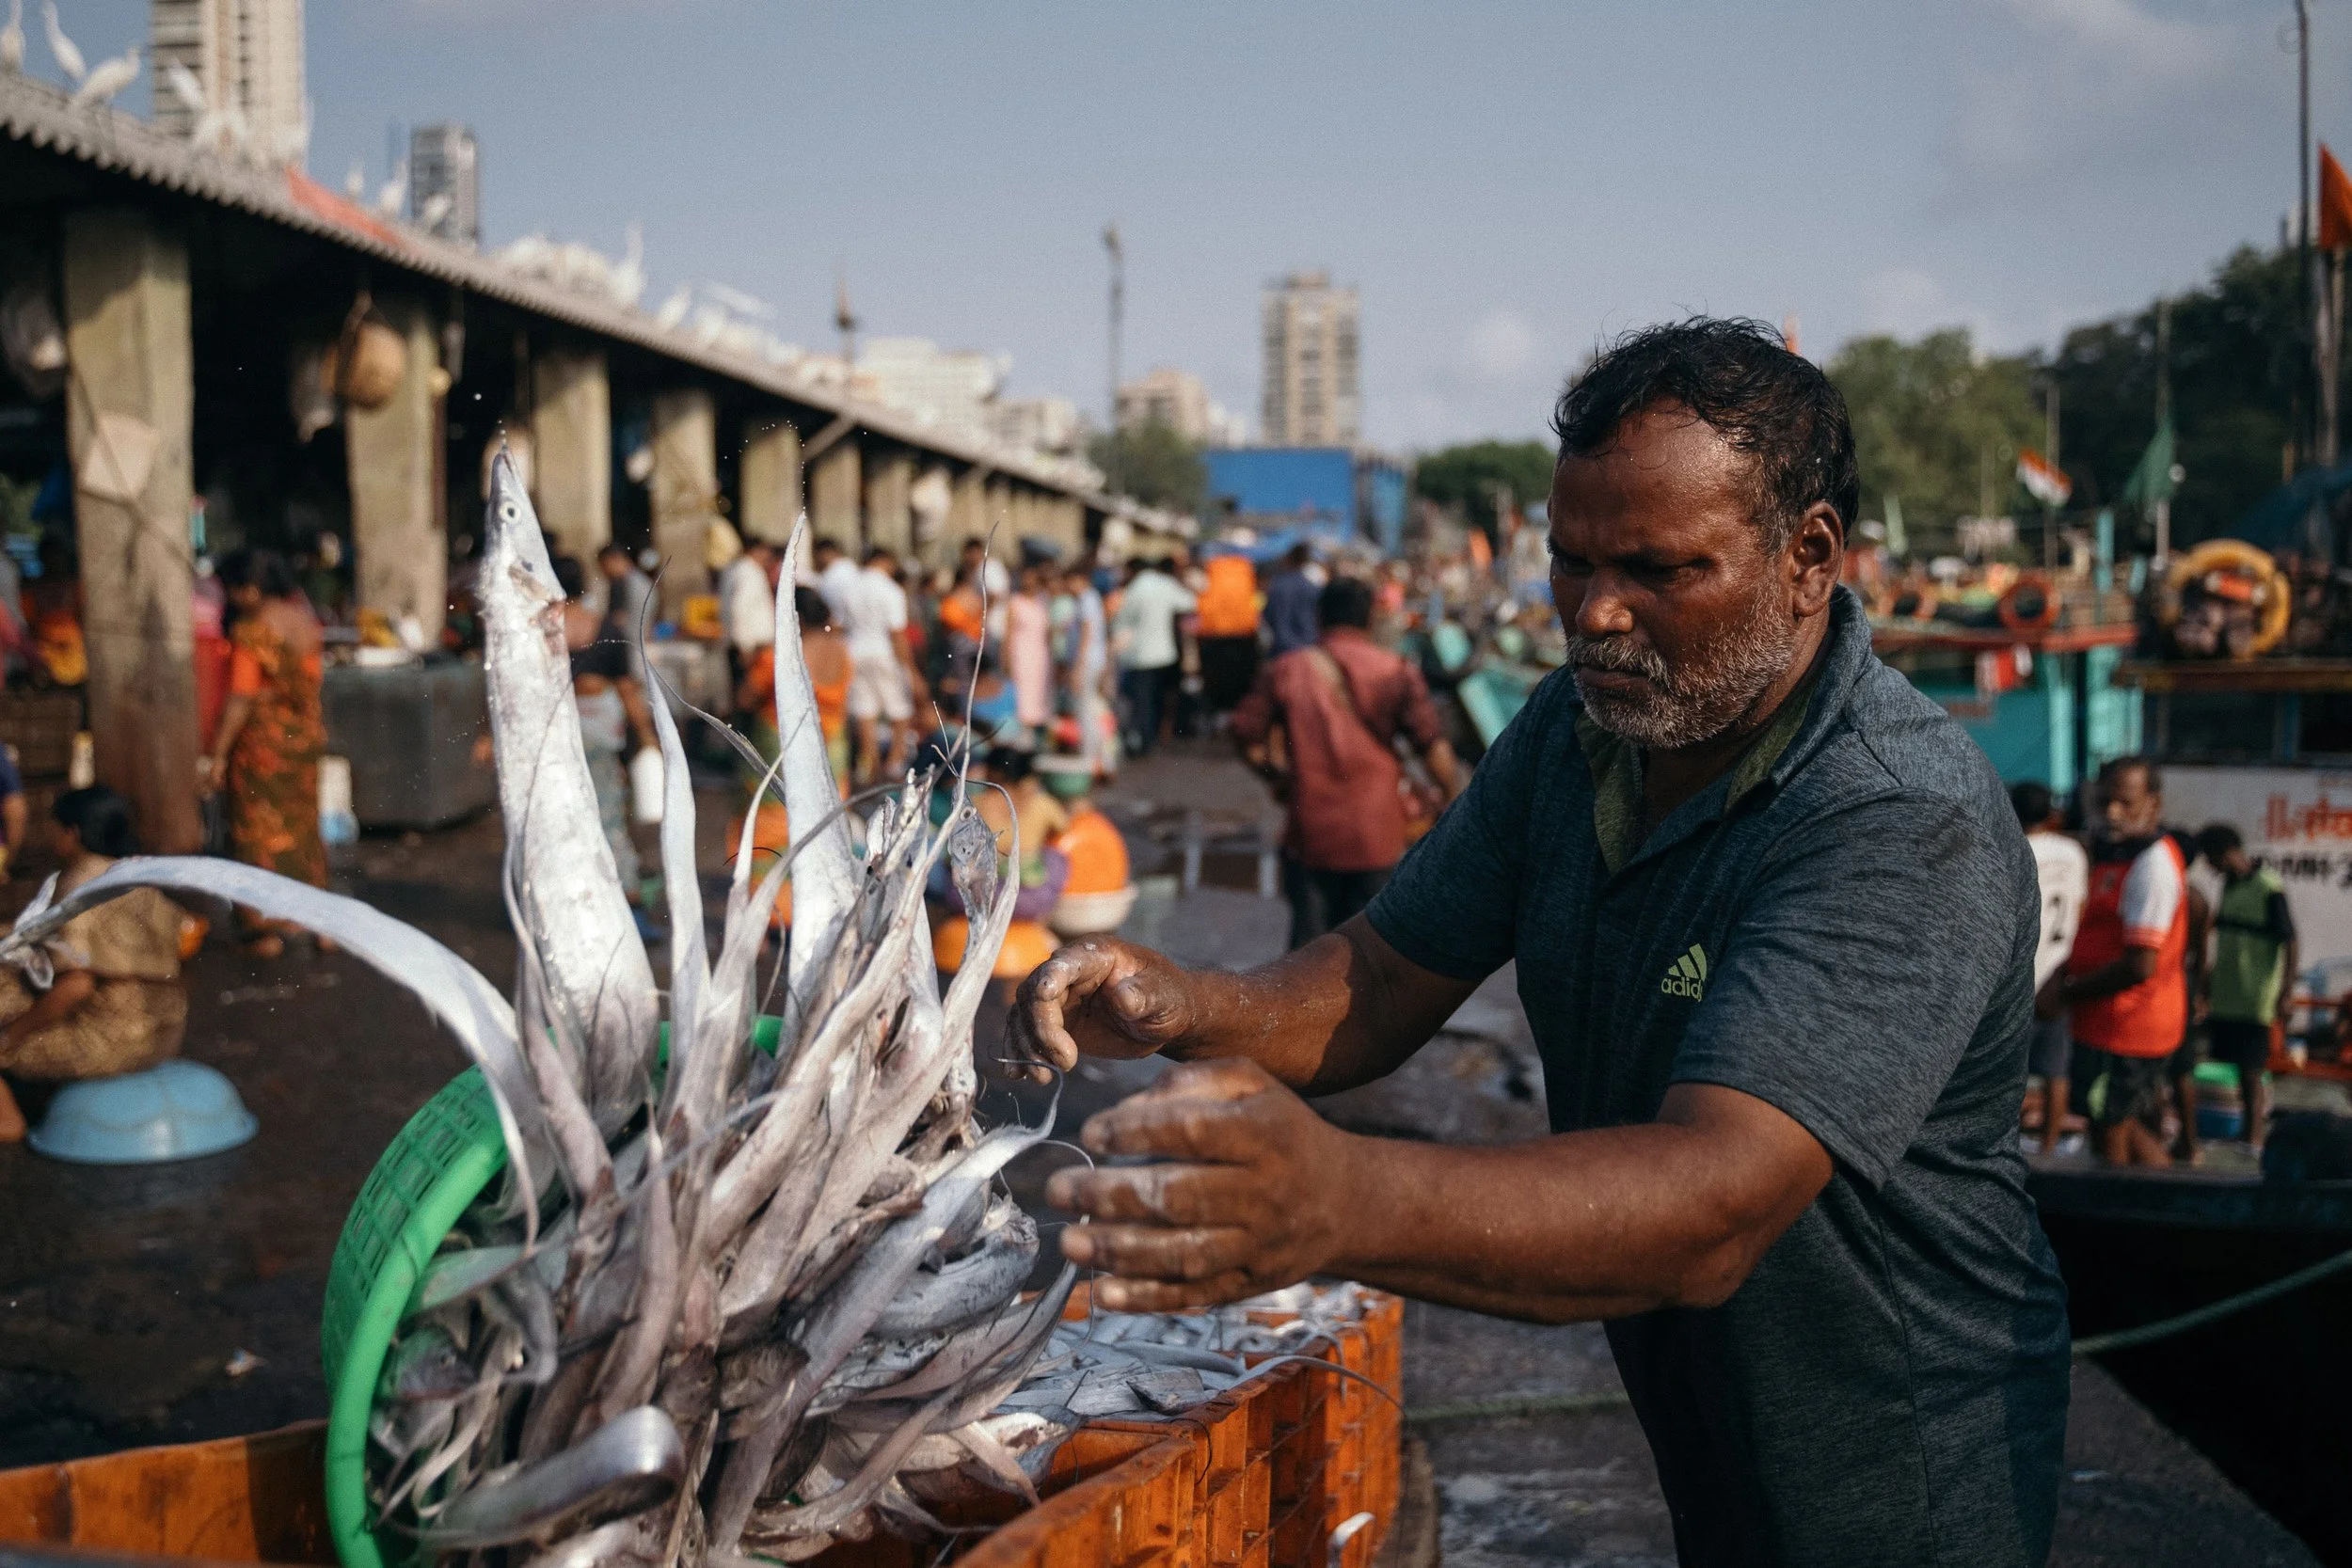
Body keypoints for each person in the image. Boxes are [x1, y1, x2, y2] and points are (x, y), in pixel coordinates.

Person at [1011, 318, 2069, 1567]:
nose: (1597, 611)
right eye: (1570, 562)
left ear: (1811, 555)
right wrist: (1190, 1002)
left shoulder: (1896, 815)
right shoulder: (1583, 729)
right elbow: (1394, 970)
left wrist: (1342, 1196)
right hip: (1702, 1414)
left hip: (1897, 1463)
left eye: (1658, 568)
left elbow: (1715, 1201)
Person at [1232, 576, 1461, 947]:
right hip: (1379, 833)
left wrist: (1277, 778)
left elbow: (1244, 732)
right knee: (1373, 957)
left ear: (1319, 617)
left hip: (1311, 833)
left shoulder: (1289, 669)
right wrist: (1452, 798)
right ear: (1370, 619)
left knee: (1307, 960)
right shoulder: (1396, 670)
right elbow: (1432, 746)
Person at [0, 787, 194, 1142]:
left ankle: (7, 1121)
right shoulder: (138, 879)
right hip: (165, 1036)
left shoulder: (77, 883)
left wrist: (11, 1037)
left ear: (71, 834)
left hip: (110, 1047)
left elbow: (77, 986)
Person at [2043, 756, 2188, 1167]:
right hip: (2108, 1024)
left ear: (2153, 805)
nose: (2112, 813)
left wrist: (2069, 993)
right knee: (2112, 1121)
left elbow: (2140, 964)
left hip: (2126, 1027)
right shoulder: (2118, 854)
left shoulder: (2151, 865)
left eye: (2125, 803)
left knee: (2110, 1135)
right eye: (2105, 801)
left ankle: (2130, 1220)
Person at [201, 548, 326, 958]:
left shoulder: (254, 630)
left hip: (262, 746)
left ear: (250, 589)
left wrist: (217, 754)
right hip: (303, 739)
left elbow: (241, 697)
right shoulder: (306, 623)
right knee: (303, 829)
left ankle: (266, 929)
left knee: (257, 833)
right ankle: (319, 923)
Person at [555, 558, 660, 937]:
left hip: (557, 734)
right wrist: (647, 736)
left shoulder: (540, 631)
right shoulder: (602, 627)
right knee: (608, 817)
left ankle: (572, 911)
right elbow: (628, 689)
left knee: (561, 820)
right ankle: (630, 907)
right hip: (600, 734)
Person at [2199, 823, 2296, 1153]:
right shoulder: (2229, 885)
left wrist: (2285, 992)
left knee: (2253, 1069)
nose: (2210, 868)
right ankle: (2242, 1133)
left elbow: (2290, 940)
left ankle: (2254, 1137)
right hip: (2229, 993)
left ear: (2226, 854)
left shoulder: (2268, 886)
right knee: (2237, 1066)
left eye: (2211, 860)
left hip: (2255, 995)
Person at [2013, 780, 2087, 1154]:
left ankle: (2008, 1142)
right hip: (2060, 974)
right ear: (2052, 815)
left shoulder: (2013, 849)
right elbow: (2081, 905)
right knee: (2056, 1069)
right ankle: (2050, 1144)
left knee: (2011, 1069)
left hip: (2022, 974)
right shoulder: (2073, 851)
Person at [837, 547, 921, 784]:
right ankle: (894, 763)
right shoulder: (890, 589)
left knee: (865, 710)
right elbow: (896, 632)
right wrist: (910, 669)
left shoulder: (850, 588)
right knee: (899, 708)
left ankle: (870, 764)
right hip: (883, 652)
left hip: (855, 652)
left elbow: (841, 625)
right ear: (885, 561)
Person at [1112, 557, 1194, 757]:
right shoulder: (1165, 585)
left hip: (1141, 655)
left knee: (1143, 701)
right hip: (1165, 654)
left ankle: (1143, 742)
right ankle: (1153, 738)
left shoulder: (1135, 590)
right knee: (1158, 698)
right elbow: (1189, 602)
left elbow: (1122, 623)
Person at [718, 536, 782, 720]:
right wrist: (745, 647)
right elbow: (739, 609)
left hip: (743, 644)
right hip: (751, 647)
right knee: (751, 700)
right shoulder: (749, 572)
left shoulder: (735, 569)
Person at [1193, 551, 1263, 713]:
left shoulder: (1212, 570)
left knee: (1217, 685)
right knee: (1241, 684)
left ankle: (1218, 716)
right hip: (1243, 635)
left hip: (1213, 636)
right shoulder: (1245, 570)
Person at [1006, 564, 1056, 742]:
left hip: (1040, 657)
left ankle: (1037, 741)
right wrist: (1007, 661)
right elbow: (1009, 634)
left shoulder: (1044, 602)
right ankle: (1022, 743)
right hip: (1022, 656)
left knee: (1040, 698)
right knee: (1022, 699)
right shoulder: (1015, 602)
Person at [1263, 542, 1323, 659]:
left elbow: (1268, 616)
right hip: (1309, 650)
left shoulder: (1277, 587)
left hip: (1281, 651)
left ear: (1288, 559)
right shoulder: (1313, 588)